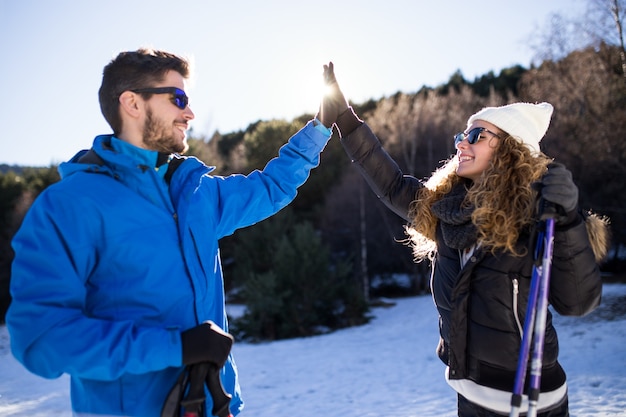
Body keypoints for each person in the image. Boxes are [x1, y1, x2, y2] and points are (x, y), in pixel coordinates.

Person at [6, 48, 334, 416]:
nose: (189, 113)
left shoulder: (196, 194)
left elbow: (270, 186)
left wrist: (319, 127)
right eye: (177, 99)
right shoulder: (69, 206)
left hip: (216, 406)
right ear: (132, 103)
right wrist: (173, 347)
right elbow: (41, 338)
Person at [320, 63, 610, 416]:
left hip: (531, 404)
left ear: (510, 151)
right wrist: (347, 122)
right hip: (469, 398)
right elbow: (393, 185)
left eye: (476, 136)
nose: (462, 144)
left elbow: (578, 302)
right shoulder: (447, 213)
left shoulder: (538, 215)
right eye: (462, 136)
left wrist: (567, 221)